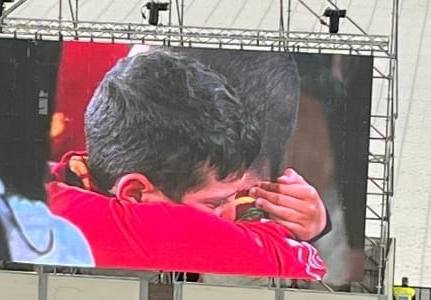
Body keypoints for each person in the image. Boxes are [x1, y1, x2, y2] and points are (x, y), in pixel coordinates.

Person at [45, 49, 326, 279]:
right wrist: (306, 234)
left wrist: (312, 222)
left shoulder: (72, 176)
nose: (230, 215)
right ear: (134, 193)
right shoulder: (66, 223)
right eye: (215, 204)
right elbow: (292, 262)